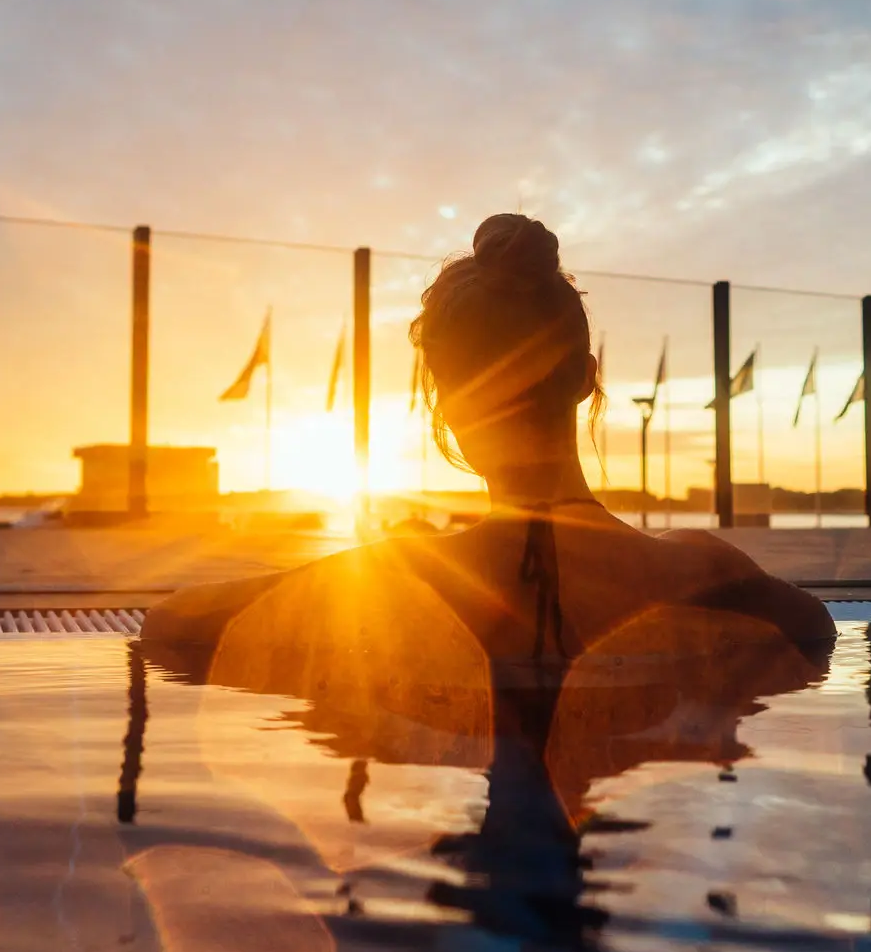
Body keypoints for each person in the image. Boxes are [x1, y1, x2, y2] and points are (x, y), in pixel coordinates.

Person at [141, 214, 835, 664]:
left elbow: (173, 623)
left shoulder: (403, 576)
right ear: (584, 379)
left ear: (449, 402)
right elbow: (816, 628)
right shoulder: (700, 571)